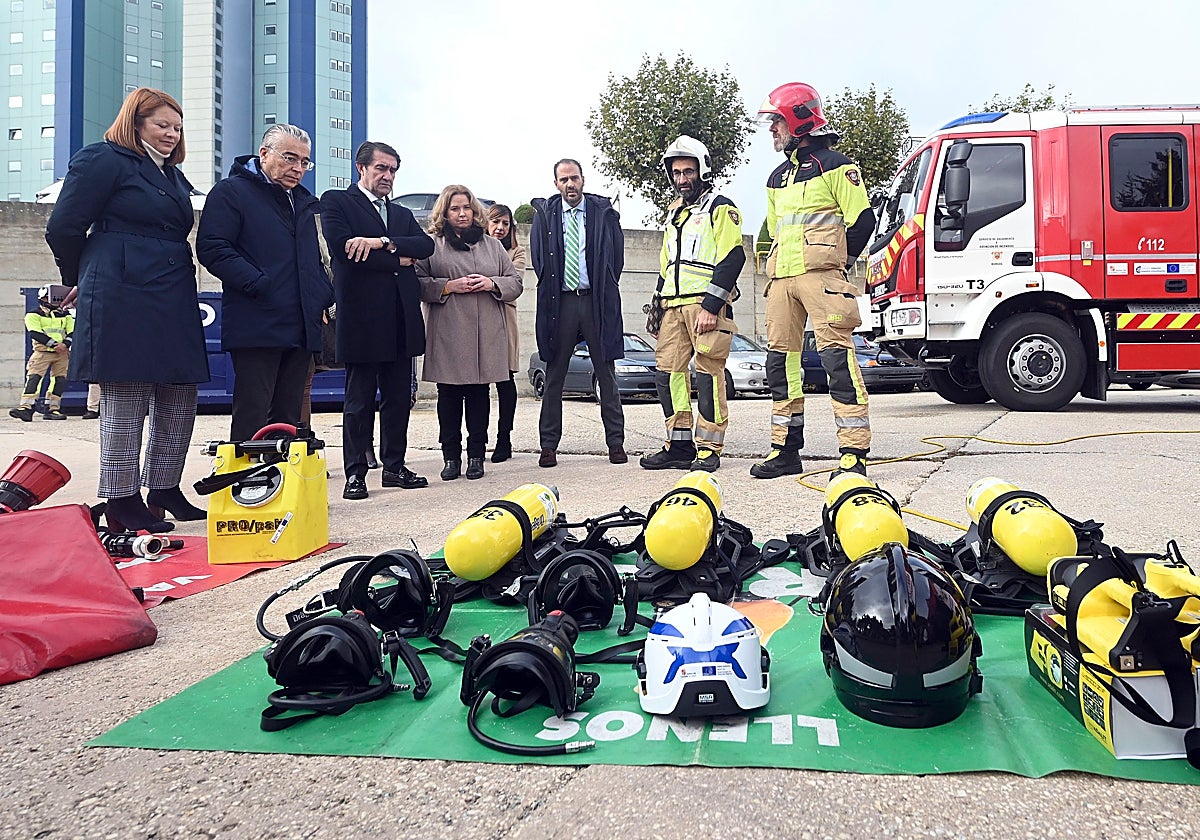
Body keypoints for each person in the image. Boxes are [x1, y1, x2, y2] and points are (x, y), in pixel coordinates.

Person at [44, 87, 209, 533]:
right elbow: (63, 226)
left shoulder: (173, 177)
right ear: (135, 123)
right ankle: (120, 498)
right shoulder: (103, 159)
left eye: (177, 127)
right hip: (122, 287)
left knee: (180, 392)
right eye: (162, 125)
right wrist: (78, 276)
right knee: (128, 393)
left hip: (171, 289)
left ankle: (164, 487)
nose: (172, 134)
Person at [751, 82, 876, 479]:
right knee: (780, 365)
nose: (772, 129)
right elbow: (770, 230)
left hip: (822, 278)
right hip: (782, 282)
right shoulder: (776, 178)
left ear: (799, 119)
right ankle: (785, 450)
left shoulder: (838, 166)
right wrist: (765, 260)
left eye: (776, 121)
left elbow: (863, 221)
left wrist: (839, 263)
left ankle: (853, 453)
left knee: (837, 360)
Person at [196, 124, 334, 443]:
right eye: (289, 158)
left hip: (300, 324)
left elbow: (313, 259)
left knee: (288, 418)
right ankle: (244, 483)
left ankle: (278, 487)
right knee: (253, 414)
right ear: (264, 154)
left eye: (304, 162)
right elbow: (213, 248)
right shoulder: (231, 192)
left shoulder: (302, 202)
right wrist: (260, 283)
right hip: (257, 322)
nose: (297, 168)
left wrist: (322, 298)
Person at [319, 140, 434, 501]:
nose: (388, 176)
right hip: (363, 320)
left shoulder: (399, 215)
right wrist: (398, 259)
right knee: (359, 401)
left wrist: (380, 241)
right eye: (381, 168)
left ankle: (395, 466)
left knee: (399, 399)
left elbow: (426, 247)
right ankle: (355, 473)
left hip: (401, 319)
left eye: (393, 170)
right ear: (362, 167)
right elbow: (343, 250)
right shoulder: (337, 201)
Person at [640, 135, 745, 473]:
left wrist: (712, 306)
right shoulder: (674, 214)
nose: (682, 179)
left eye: (688, 171)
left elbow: (733, 257)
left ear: (703, 170)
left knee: (708, 373)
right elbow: (666, 263)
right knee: (668, 374)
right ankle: (679, 445)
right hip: (672, 306)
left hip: (704, 305)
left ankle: (709, 447)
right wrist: (657, 307)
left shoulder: (720, 207)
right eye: (677, 173)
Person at [416, 185, 521, 481]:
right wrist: (448, 286)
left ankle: (477, 455)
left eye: (467, 208)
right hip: (448, 331)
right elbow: (417, 282)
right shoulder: (432, 244)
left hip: (485, 331)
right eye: (455, 208)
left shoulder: (492, 245)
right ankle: (450, 457)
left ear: (475, 211)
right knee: (448, 397)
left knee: (479, 396)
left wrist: (491, 284)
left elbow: (515, 282)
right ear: (444, 213)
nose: (462, 214)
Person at [529, 159, 627, 468]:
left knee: (606, 374)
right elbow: (539, 261)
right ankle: (548, 447)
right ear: (556, 184)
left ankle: (616, 443)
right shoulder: (546, 216)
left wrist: (605, 285)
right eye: (563, 180)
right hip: (562, 303)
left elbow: (618, 257)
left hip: (595, 301)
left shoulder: (603, 213)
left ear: (583, 179)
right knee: (555, 375)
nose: (570, 184)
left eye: (574, 178)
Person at [485, 203, 526, 463]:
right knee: (477, 386)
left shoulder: (517, 251)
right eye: (495, 222)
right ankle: (478, 440)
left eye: (505, 224)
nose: (500, 228)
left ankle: (504, 438)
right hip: (475, 321)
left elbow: (514, 283)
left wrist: (488, 282)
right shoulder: (473, 248)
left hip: (503, 320)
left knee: (505, 382)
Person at [10, 284, 73, 422]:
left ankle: (53, 409)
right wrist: (55, 345)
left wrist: (65, 344)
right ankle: (26, 408)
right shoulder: (33, 314)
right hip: (42, 352)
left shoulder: (65, 314)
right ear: (42, 299)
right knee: (34, 378)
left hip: (61, 353)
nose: (53, 301)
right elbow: (35, 333)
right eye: (48, 298)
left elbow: (72, 331)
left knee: (59, 380)